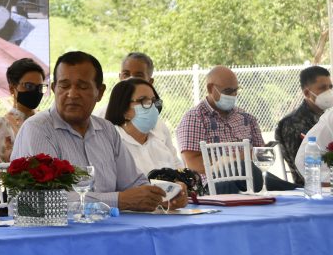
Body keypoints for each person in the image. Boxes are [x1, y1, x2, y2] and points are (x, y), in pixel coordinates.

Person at [11, 51, 187, 211]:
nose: (72, 94)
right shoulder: (38, 129)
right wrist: (118, 200)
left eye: (82, 86)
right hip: (54, 238)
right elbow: (43, 200)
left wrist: (166, 194)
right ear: (54, 89)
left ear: (100, 92)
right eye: (64, 86)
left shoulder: (107, 130)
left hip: (108, 231)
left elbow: (133, 183)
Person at [176, 65, 294, 193]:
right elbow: (193, 164)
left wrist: (257, 153)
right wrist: (235, 160)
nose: (233, 95)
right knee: (243, 167)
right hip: (212, 185)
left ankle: (292, 190)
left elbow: (260, 159)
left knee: (249, 170)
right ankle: (294, 190)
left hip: (250, 179)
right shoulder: (194, 118)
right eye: (228, 91)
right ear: (210, 88)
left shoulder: (246, 118)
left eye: (236, 90)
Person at [104, 79, 182, 176]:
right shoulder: (110, 143)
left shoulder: (159, 137)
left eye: (154, 101)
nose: (153, 106)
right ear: (124, 110)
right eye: (143, 101)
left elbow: (178, 168)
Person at [0, 58, 47, 164]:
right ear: (12, 89)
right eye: (29, 86)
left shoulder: (46, 122)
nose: (35, 91)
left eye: (40, 87)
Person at [276, 65, 332, 185]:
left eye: (330, 87)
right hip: (307, 186)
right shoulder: (291, 123)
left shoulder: (327, 118)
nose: (329, 92)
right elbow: (303, 164)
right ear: (307, 93)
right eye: (322, 88)